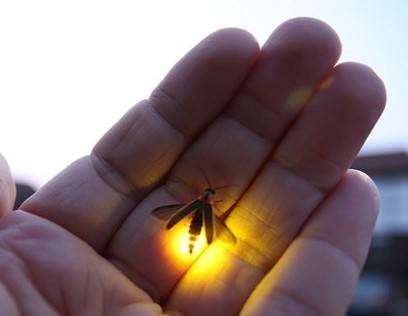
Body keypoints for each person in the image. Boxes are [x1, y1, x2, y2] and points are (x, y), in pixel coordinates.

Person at [0, 17, 386, 316]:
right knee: (196, 229)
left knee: (195, 229)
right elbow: (197, 213)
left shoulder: (198, 203)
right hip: (191, 222)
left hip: (191, 220)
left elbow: (194, 211)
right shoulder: (204, 205)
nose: (208, 195)